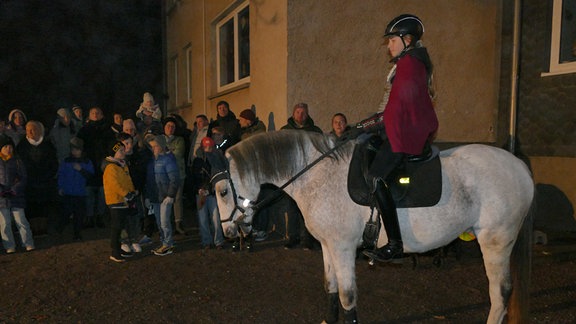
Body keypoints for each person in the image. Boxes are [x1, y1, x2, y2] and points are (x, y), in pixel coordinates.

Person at [347, 14, 439, 263]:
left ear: (406, 40)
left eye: (392, 40)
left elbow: (394, 112)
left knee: (376, 178)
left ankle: (395, 243)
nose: (389, 45)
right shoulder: (408, 63)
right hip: (401, 128)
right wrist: (362, 126)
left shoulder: (409, 65)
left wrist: (361, 126)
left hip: (406, 133)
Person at [276, 102, 322, 249]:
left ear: (307, 114)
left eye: (303, 113)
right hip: (291, 175)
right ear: (293, 113)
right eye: (298, 112)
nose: (300, 115)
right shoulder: (285, 130)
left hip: (309, 175)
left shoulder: (315, 130)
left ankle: (308, 240)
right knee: (291, 207)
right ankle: (292, 237)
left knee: (308, 208)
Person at [16, 121, 59, 234]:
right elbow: (18, 164)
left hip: (45, 181)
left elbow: (54, 163)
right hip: (28, 182)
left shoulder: (48, 145)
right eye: (28, 129)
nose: (30, 132)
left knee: (44, 205)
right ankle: (34, 229)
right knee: (31, 206)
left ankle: (43, 228)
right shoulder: (22, 146)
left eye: (33, 129)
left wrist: (48, 176)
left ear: (40, 131)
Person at [76, 107, 115, 228]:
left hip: (104, 165)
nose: (95, 115)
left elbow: (113, 145)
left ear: (102, 115)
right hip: (89, 164)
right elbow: (77, 145)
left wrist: (111, 158)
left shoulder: (108, 129)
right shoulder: (84, 130)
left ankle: (100, 216)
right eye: (93, 113)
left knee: (103, 194)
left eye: (98, 113)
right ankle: (89, 217)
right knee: (89, 193)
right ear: (89, 115)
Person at [102, 140, 138, 263]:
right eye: (120, 150)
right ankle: (115, 251)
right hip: (115, 201)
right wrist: (127, 194)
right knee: (116, 227)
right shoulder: (111, 167)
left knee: (121, 225)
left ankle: (119, 250)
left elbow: (128, 180)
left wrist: (132, 191)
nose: (123, 152)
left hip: (123, 201)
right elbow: (114, 185)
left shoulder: (122, 165)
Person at [0, 135, 35, 253]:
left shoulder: (17, 161)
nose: (8, 149)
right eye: (5, 146)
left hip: (16, 196)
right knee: (5, 223)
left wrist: (14, 190)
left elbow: (23, 177)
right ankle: (9, 246)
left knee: (21, 221)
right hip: (1, 198)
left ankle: (28, 243)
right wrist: (2, 191)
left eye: (10, 146)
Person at [57, 137, 94, 241]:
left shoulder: (86, 162)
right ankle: (59, 229)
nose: (75, 151)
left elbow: (90, 176)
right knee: (65, 213)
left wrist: (81, 169)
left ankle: (77, 234)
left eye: (77, 149)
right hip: (68, 193)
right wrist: (60, 187)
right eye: (73, 149)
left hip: (80, 193)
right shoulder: (67, 161)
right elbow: (61, 175)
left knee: (79, 215)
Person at [147, 135, 180, 256]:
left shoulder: (167, 160)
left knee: (164, 222)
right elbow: (150, 180)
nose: (154, 149)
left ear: (161, 146)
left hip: (165, 196)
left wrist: (171, 195)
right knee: (160, 221)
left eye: (155, 146)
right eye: (152, 147)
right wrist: (149, 196)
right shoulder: (154, 160)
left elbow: (174, 178)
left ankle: (168, 244)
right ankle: (164, 241)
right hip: (156, 196)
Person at [191, 137, 225, 249]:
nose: (208, 149)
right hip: (201, 192)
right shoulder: (197, 160)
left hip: (212, 192)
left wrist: (210, 189)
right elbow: (193, 177)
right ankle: (206, 241)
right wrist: (198, 189)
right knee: (203, 219)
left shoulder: (216, 159)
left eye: (210, 147)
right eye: (206, 147)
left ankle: (218, 241)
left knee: (215, 218)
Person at [162, 116, 187, 235]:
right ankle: (167, 223)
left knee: (177, 199)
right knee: (165, 199)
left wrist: (166, 152)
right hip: (163, 175)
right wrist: (169, 151)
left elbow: (178, 153)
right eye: (168, 126)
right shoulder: (159, 139)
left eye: (173, 127)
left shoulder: (180, 140)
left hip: (178, 173)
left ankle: (178, 223)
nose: (170, 128)